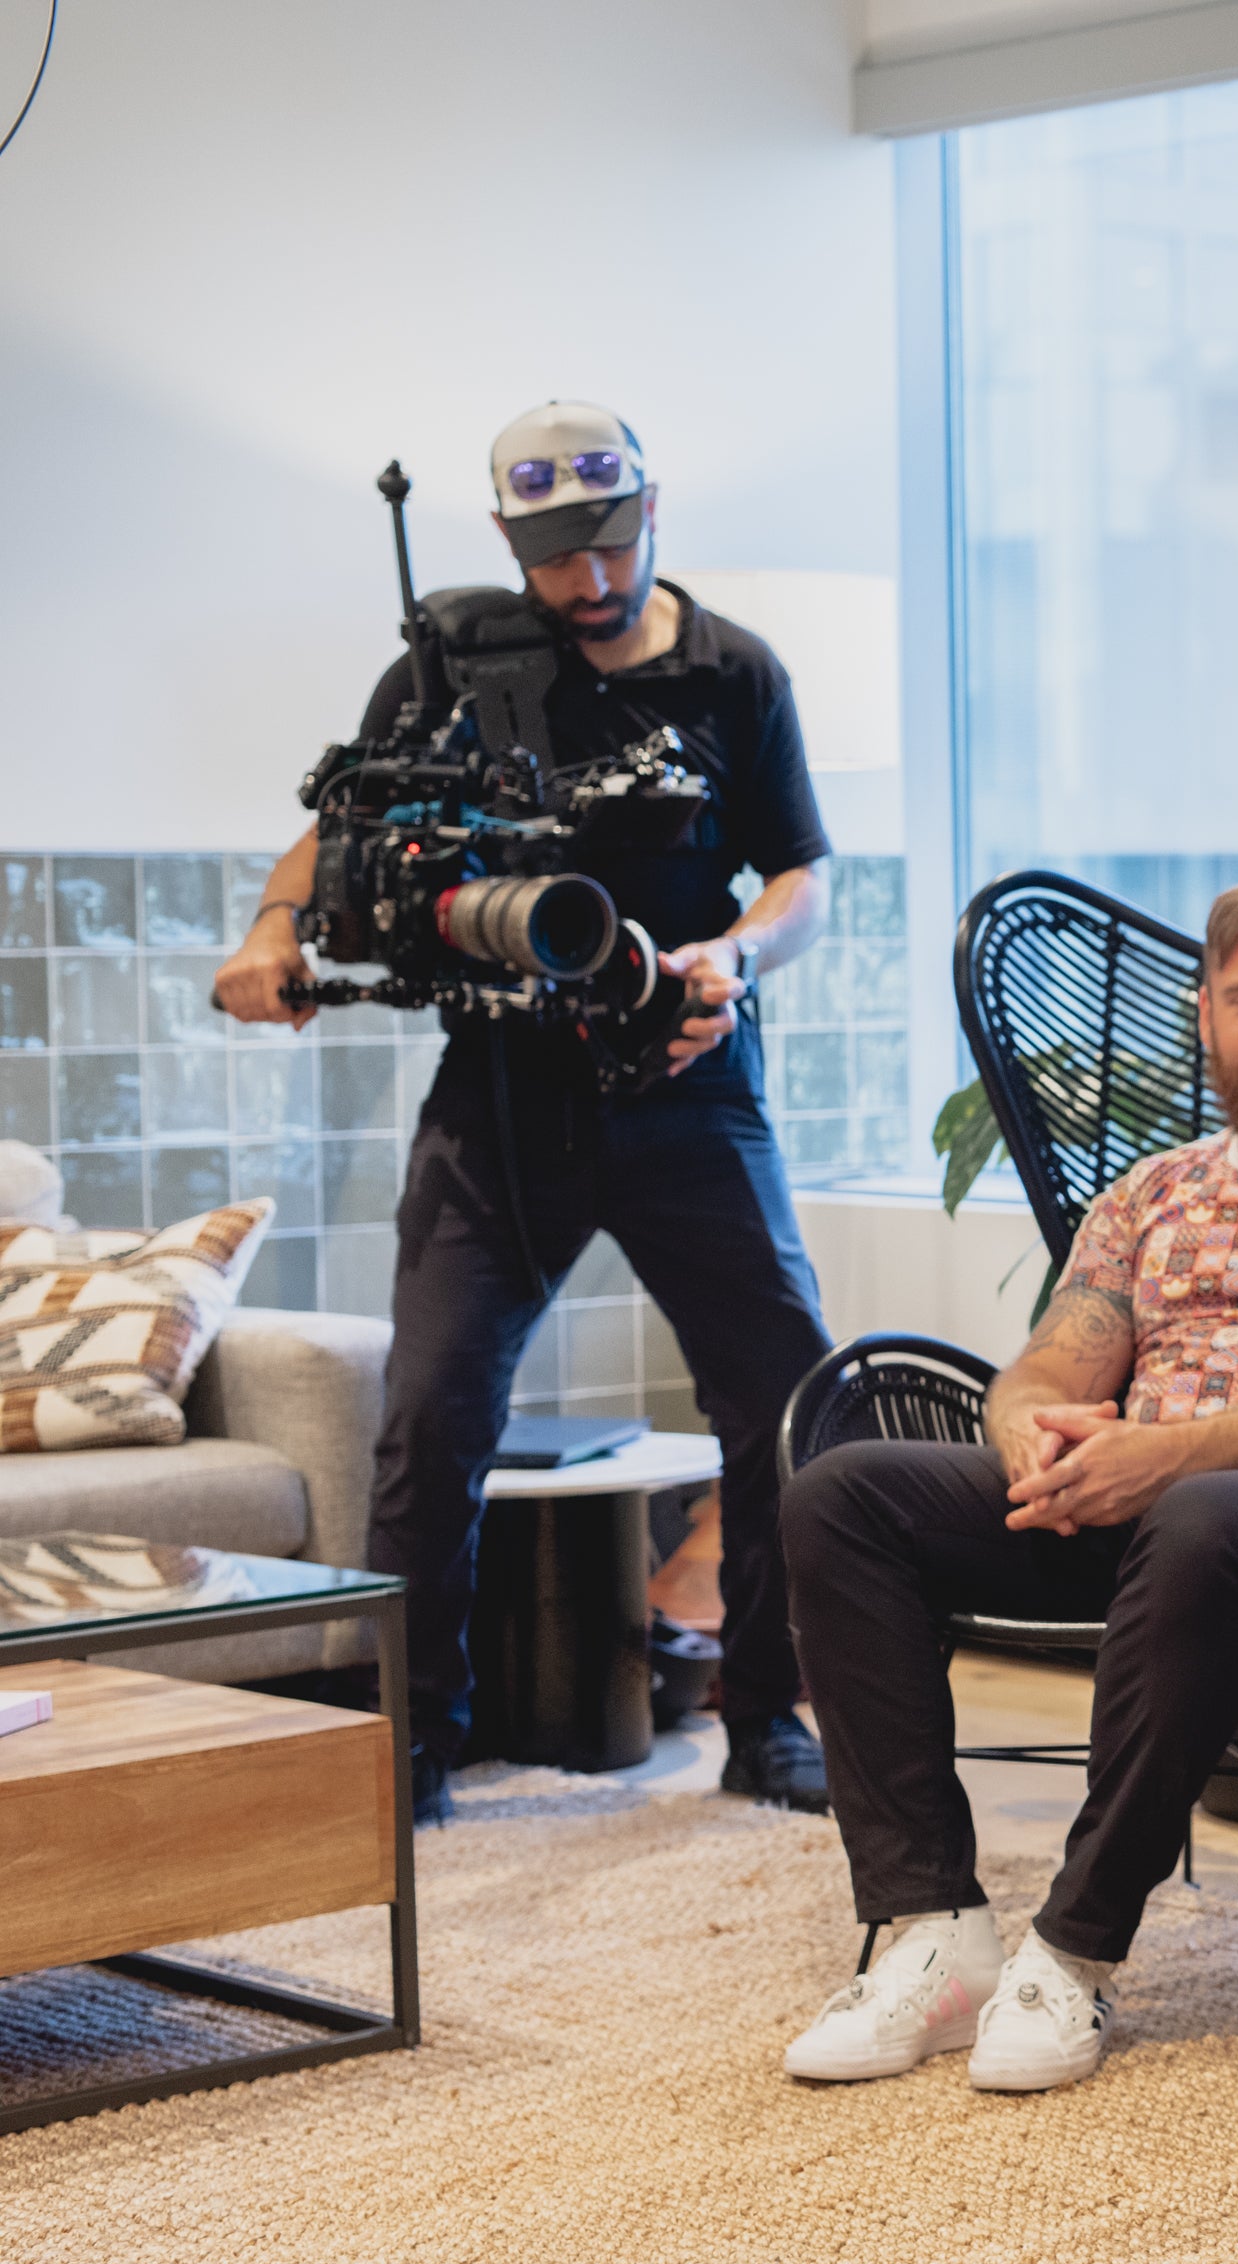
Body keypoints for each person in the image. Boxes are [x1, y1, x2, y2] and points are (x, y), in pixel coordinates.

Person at [776, 874, 1238, 2094]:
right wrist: (1034, 1434)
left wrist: (1163, 1454)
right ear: (1207, 1020)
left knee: (1192, 1517)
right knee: (843, 1494)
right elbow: (1047, 1366)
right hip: (1144, 1497)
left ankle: (1071, 1947)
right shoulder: (1150, 1191)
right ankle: (934, 1930)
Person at [213, 401, 840, 1824]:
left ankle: (772, 1717)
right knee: (429, 1416)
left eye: (612, 544)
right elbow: (344, 826)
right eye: (559, 556)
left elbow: (803, 873)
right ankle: (411, 1745)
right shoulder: (451, 664)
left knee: (790, 1401)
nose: (591, 581)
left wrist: (733, 955)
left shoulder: (736, 670)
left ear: (652, 512)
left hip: (690, 1094)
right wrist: (268, 929)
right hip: (497, 1099)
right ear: (509, 540)